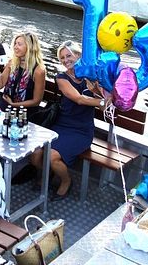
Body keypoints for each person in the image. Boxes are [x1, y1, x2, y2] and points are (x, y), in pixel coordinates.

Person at [29, 41, 106, 201]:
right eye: (62, 58)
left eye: (69, 55)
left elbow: (105, 102)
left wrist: (99, 94)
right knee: (35, 154)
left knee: (51, 156)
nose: (65, 60)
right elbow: (78, 99)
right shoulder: (62, 78)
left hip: (81, 130)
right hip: (61, 125)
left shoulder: (91, 77)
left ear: (78, 55)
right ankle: (49, 173)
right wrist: (101, 102)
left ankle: (66, 180)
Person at [0, 32, 45, 117]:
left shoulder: (38, 71)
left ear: (30, 47)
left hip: (25, 110)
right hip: (6, 103)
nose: (15, 47)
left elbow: (36, 101)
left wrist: (13, 104)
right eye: (15, 44)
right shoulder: (12, 63)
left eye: (19, 44)